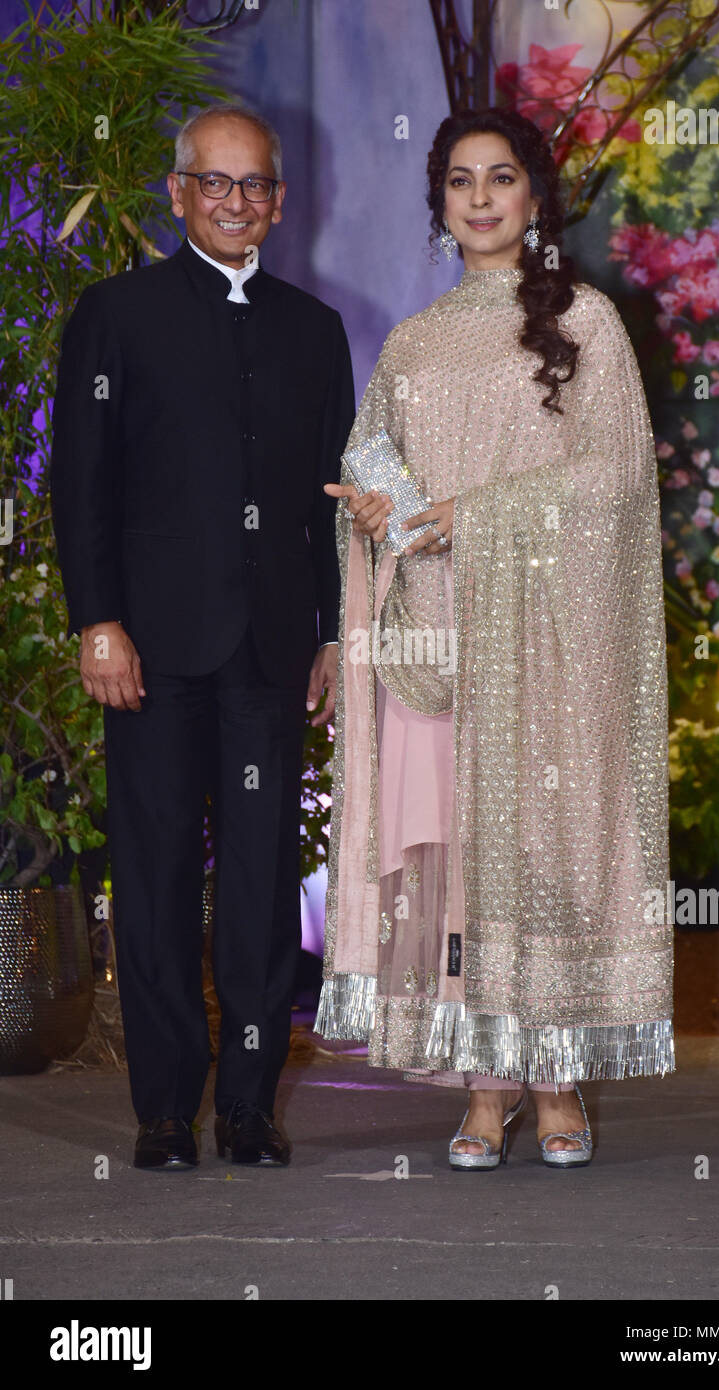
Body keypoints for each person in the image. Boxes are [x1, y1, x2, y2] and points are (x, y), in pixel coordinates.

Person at [317, 107, 673, 1170]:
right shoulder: (410, 343)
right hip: (434, 636)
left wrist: (481, 510)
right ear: (438, 202)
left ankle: (556, 1078)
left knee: (542, 852)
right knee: (461, 871)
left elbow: (615, 478)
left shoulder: (587, 323)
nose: (479, 198)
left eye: (501, 178)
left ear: (533, 197)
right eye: (460, 180)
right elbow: (366, 469)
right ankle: (483, 1086)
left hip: (550, 644)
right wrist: (374, 516)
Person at [51, 104, 354, 1170]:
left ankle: (248, 1108)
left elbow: (330, 501)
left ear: (279, 198)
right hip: (152, 652)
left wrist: (333, 634)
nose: (236, 202)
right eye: (214, 184)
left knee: (268, 886)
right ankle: (167, 1110)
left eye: (256, 185)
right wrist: (98, 622)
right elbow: (79, 486)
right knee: (157, 874)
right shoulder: (114, 316)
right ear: (177, 193)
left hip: (272, 653)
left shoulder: (314, 330)